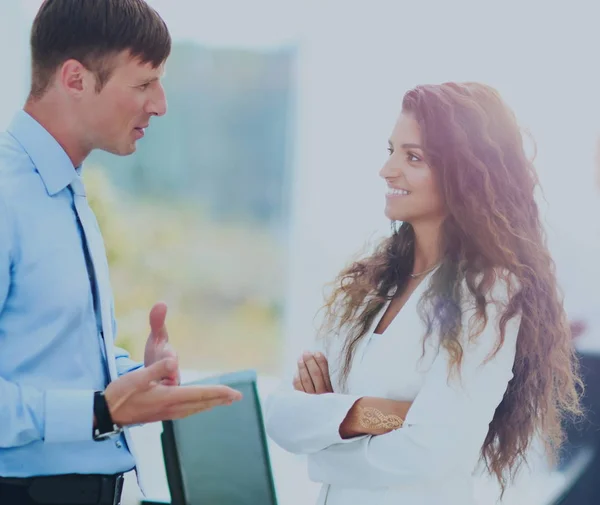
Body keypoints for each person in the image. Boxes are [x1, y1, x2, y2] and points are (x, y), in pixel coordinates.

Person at [265, 82, 583, 505]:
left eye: (412, 157)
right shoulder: (373, 284)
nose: (387, 169)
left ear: (464, 176)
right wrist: (367, 414)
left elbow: (434, 450)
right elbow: (280, 414)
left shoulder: (488, 292)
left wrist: (328, 425)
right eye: (391, 149)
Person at [0, 2, 241, 504]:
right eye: (144, 83)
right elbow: (87, 405)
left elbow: (45, 355)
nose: (160, 104)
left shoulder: (67, 191)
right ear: (74, 79)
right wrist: (99, 411)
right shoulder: (7, 195)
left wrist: (134, 377)